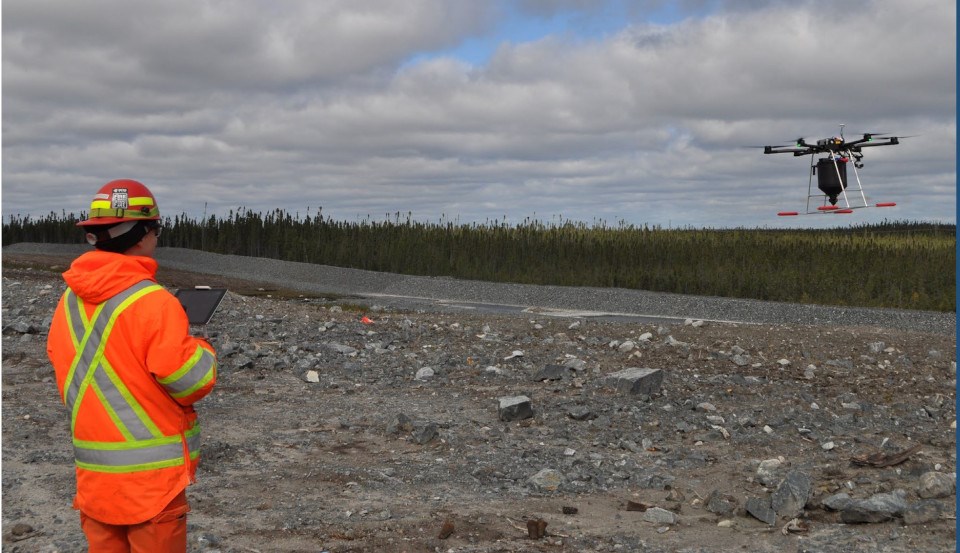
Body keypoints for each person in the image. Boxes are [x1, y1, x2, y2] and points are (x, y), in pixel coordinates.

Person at [47, 179, 217, 552]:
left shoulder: (68, 302)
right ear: (141, 235)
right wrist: (201, 346)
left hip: (96, 479)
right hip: (153, 485)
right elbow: (190, 381)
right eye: (155, 228)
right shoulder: (154, 302)